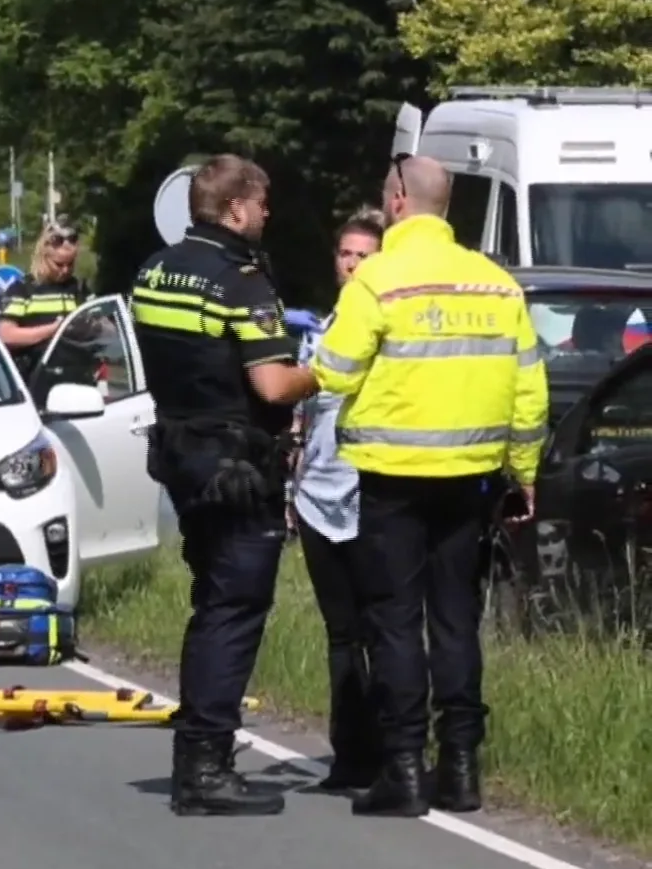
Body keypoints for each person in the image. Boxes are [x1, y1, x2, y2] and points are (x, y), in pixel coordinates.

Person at [311, 155, 547, 818]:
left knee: (393, 621)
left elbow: (334, 371)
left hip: (392, 477)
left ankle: (405, 769)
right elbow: (530, 390)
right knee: (456, 620)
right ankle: (462, 767)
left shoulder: (379, 279)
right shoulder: (496, 285)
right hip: (469, 480)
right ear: (446, 207)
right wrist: (524, 473)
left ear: (395, 201)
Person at [131, 155, 318, 817]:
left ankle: (197, 757)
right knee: (233, 609)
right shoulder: (238, 280)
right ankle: (206, 765)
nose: (268, 215)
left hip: (182, 459)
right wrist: (325, 370)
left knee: (210, 602)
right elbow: (272, 384)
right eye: (263, 204)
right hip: (236, 466)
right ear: (236, 207)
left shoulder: (153, 271)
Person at [292, 209, 385, 792]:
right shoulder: (322, 329)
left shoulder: (387, 328)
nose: (351, 265)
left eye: (364, 256)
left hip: (373, 495)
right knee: (341, 631)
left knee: (383, 627)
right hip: (318, 497)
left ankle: (390, 749)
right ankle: (348, 753)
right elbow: (304, 415)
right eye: (345, 254)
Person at [0, 220, 87, 377]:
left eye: (70, 264)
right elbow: (6, 335)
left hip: (76, 377)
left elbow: (102, 327)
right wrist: (54, 330)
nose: (65, 270)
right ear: (43, 257)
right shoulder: (23, 289)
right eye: (59, 264)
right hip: (35, 379)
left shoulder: (78, 288)